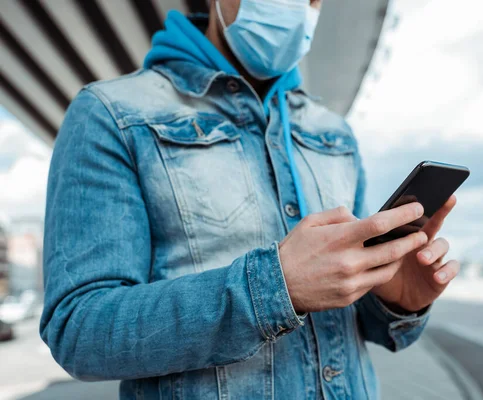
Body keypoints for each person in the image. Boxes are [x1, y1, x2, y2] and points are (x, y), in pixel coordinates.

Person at [40, 0, 460, 398]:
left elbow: (355, 320)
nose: (295, 7)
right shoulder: (111, 115)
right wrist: (275, 288)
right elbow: (78, 329)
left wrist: (395, 300)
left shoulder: (332, 130)